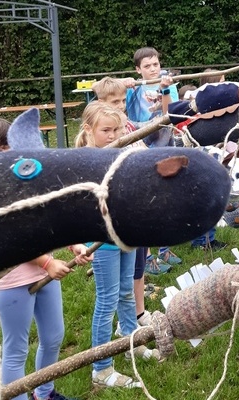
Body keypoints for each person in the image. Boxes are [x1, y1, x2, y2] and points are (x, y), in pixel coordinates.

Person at [0, 117, 93, 400]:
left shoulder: (26, 184)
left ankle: (44, 393)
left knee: (53, 337)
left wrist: (72, 244)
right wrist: (47, 262)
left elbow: (47, 223)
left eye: (10, 150)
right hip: (13, 282)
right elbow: (14, 238)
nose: (6, 157)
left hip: (46, 276)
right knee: (16, 349)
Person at [75, 102, 160, 389]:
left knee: (126, 293)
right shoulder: (85, 162)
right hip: (103, 244)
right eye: (106, 130)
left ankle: (131, 341)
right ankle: (101, 368)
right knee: (107, 300)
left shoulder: (121, 154)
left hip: (127, 236)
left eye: (117, 130)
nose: (113, 136)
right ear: (89, 130)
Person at [92, 77, 159, 331]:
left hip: (135, 210)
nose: (120, 106)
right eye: (114, 102)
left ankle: (134, 318)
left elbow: (149, 129)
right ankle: (127, 322)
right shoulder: (103, 140)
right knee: (114, 290)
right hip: (116, 221)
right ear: (101, 104)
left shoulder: (127, 125)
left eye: (122, 101)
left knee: (136, 269)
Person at [121, 47, 182, 272]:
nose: (153, 69)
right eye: (147, 66)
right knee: (147, 201)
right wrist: (123, 84)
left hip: (164, 142)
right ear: (138, 70)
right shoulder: (134, 88)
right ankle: (146, 258)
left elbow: (169, 114)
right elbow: (114, 99)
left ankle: (164, 248)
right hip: (141, 145)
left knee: (167, 199)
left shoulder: (168, 84)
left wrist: (165, 90)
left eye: (155, 64)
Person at [189, 69, 228, 251]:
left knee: (214, 197)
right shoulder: (202, 111)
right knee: (205, 199)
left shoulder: (219, 108)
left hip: (216, 158)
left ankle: (208, 238)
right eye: (221, 83)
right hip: (204, 161)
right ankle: (201, 241)